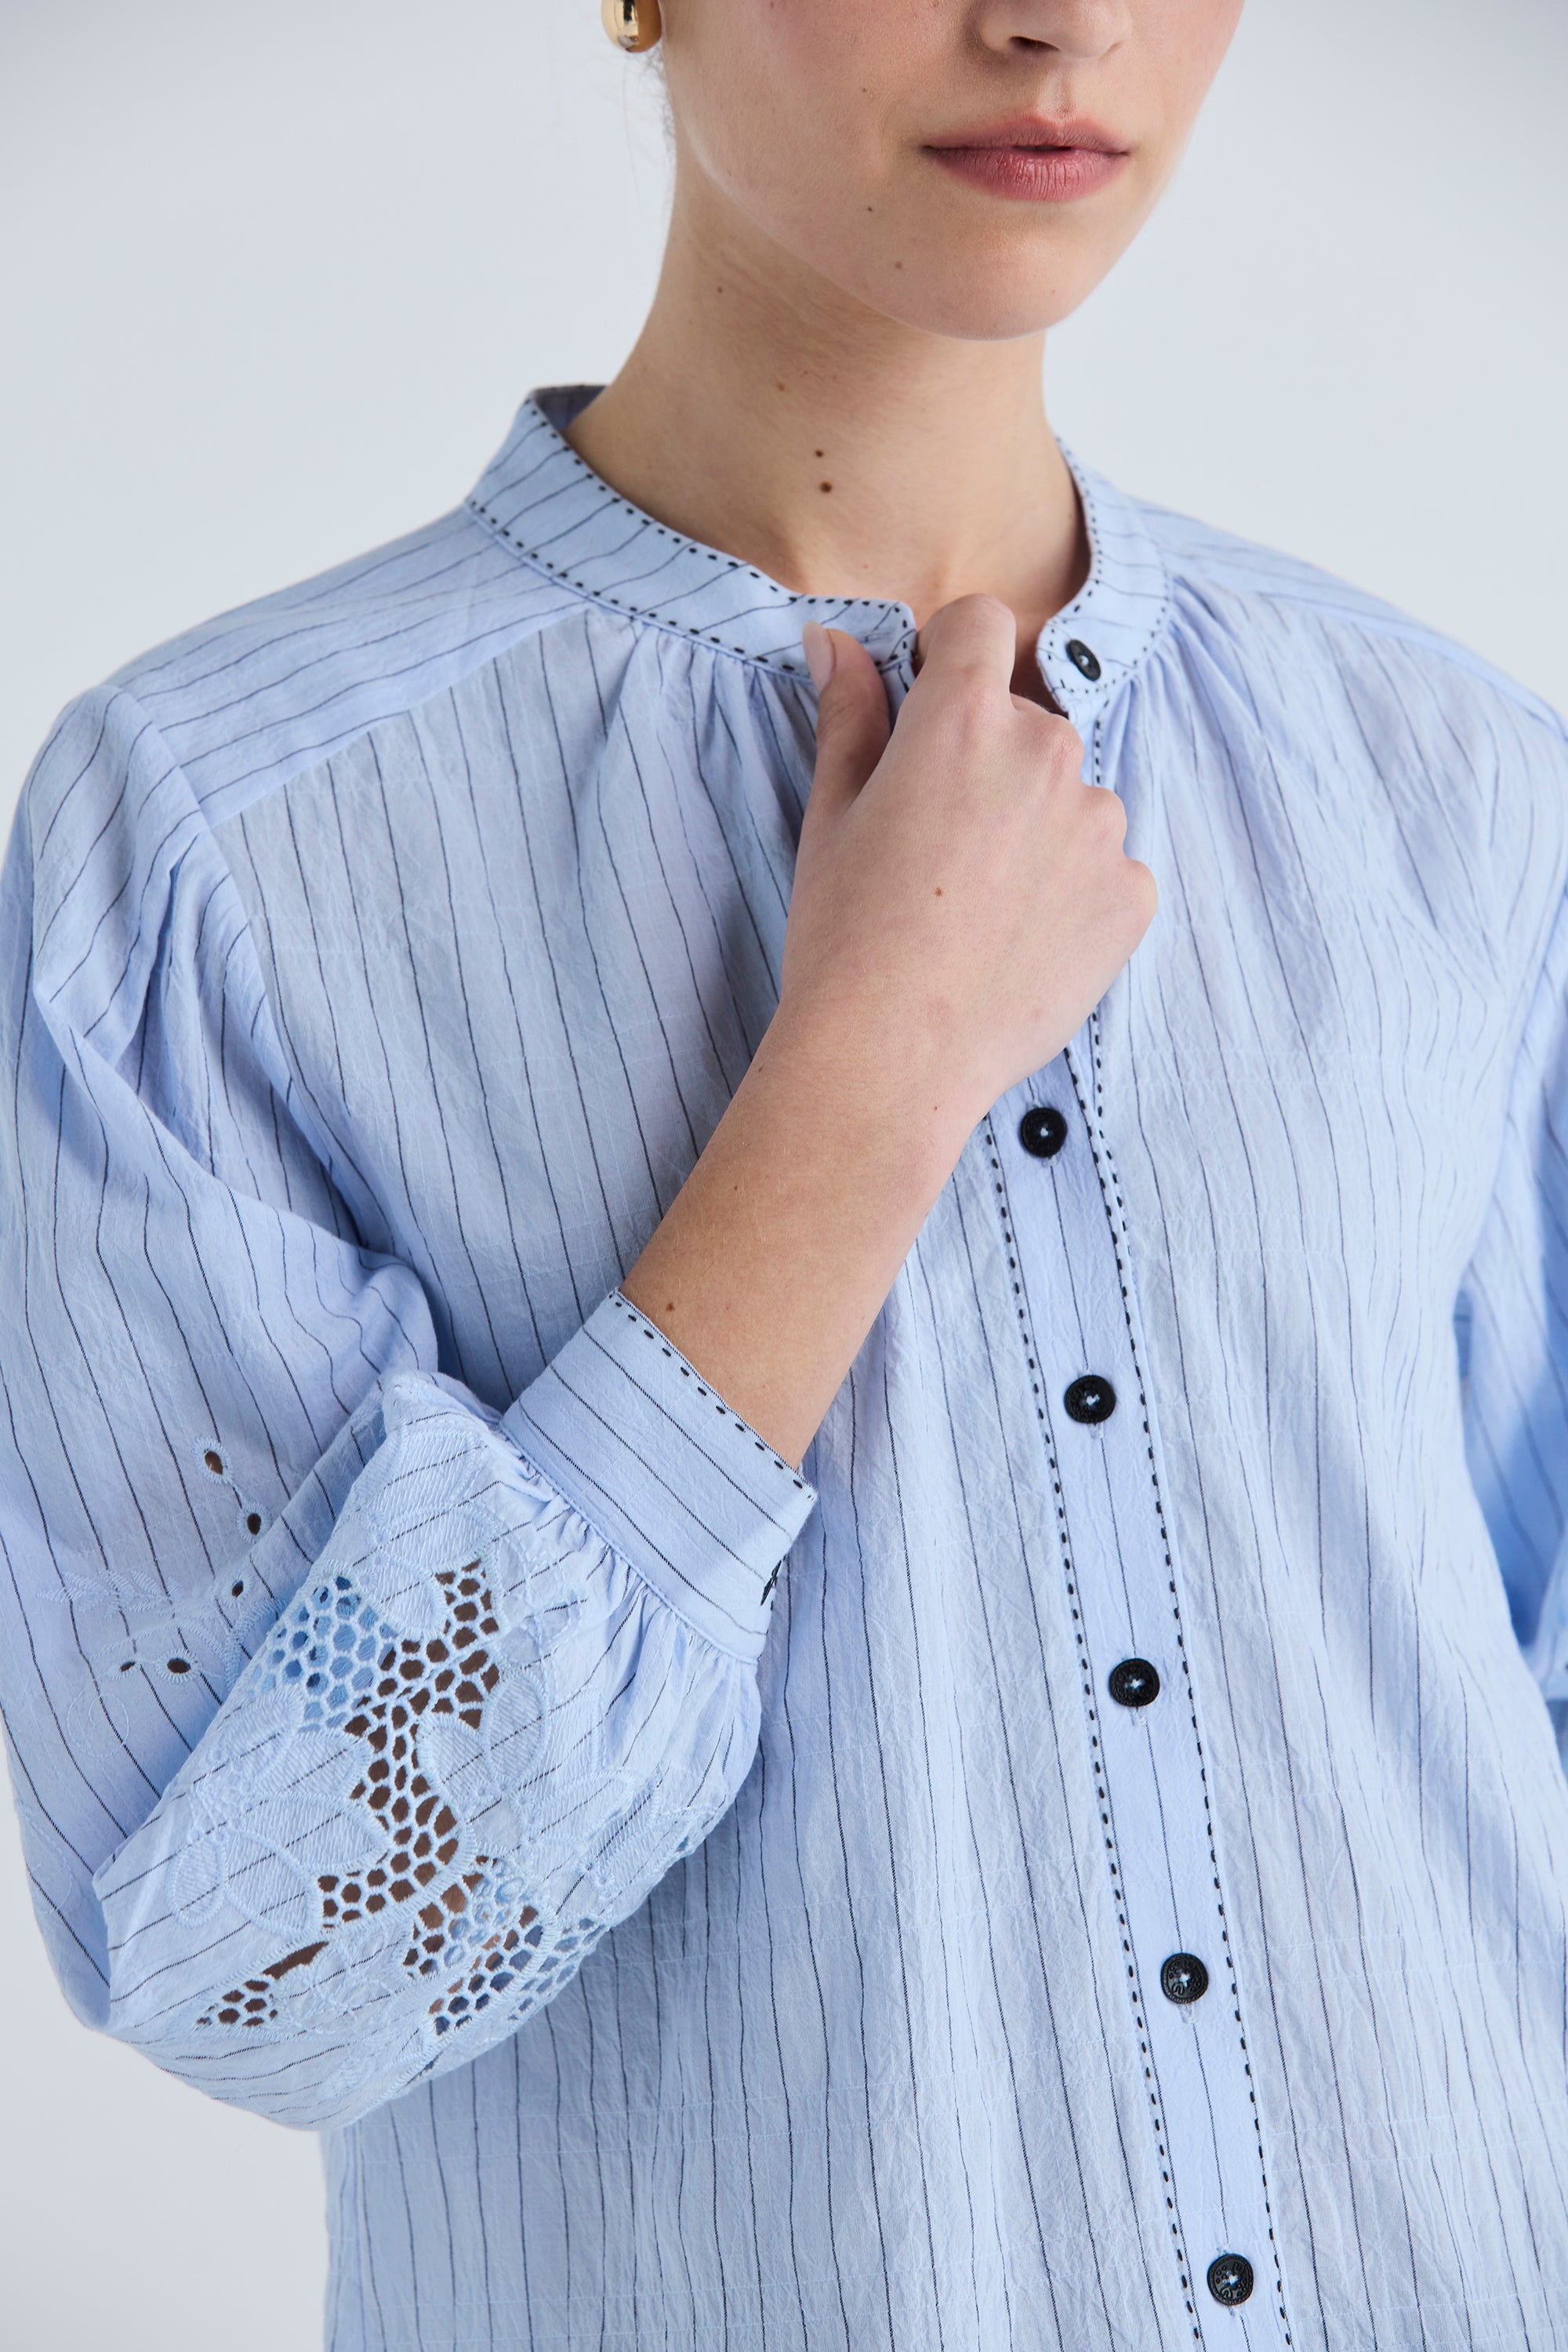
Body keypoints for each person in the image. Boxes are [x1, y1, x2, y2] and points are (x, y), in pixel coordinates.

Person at [2, 0, 1566, 2343]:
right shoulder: (206, 852)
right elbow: (267, 1965)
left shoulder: (1458, 782)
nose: (1064, 25)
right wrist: (864, 1078)